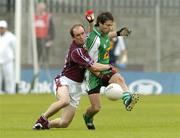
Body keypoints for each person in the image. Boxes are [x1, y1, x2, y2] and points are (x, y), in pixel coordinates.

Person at [32, 24, 114, 130]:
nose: (81, 37)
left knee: (64, 123)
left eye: (82, 34)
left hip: (77, 86)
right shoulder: (76, 51)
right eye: (77, 35)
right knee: (64, 100)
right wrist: (109, 66)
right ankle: (42, 119)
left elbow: (94, 35)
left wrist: (91, 22)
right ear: (73, 38)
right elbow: (93, 67)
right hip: (64, 81)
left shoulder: (85, 43)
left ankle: (47, 125)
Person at [83, 12, 138, 130]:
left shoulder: (104, 33)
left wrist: (119, 33)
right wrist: (99, 75)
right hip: (93, 74)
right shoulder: (94, 39)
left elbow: (107, 36)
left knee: (119, 78)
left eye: (111, 25)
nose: (110, 28)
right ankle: (87, 116)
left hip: (106, 69)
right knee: (96, 108)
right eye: (108, 25)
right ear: (100, 24)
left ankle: (127, 99)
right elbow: (88, 63)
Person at [35, 2, 55, 66]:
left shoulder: (48, 17)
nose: (40, 9)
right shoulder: (34, 16)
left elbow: (52, 29)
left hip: (45, 39)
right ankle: (36, 67)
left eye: (42, 8)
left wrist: (51, 40)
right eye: (39, 7)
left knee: (44, 57)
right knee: (36, 56)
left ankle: (43, 69)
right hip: (36, 39)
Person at [0, 20, 16, 94]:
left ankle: (10, 92)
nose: (1, 29)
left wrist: (12, 56)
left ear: (5, 28)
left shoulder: (11, 36)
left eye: (2, 28)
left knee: (9, 77)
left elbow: (15, 47)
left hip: (8, 61)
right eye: (0, 28)